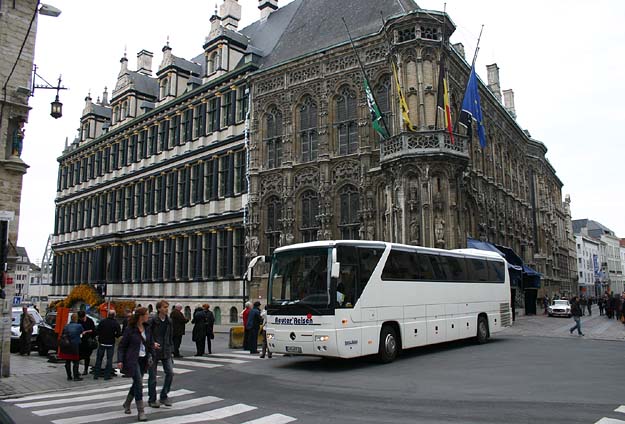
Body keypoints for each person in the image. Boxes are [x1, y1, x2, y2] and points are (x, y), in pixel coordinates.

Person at [118, 307, 153, 421]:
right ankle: (141, 411)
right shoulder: (130, 329)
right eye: (147, 314)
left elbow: (149, 342)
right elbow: (122, 346)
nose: (149, 316)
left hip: (143, 359)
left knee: (137, 383)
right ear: (141, 316)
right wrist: (120, 360)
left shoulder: (147, 328)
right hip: (133, 359)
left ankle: (127, 403)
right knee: (138, 382)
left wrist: (153, 347)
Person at [147, 300, 174, 408]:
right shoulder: (153, 321)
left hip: (166, 350)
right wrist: (152, 343)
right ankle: (152, 399)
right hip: (154, 351)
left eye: (167, 307)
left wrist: (171, 349)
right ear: (159, 309)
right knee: (152, 377)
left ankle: (164, 396)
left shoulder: (169, 321)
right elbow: (148, 335)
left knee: (170, 373)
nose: (166, 309)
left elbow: (170, 336)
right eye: (164, 307)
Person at [94, 310, 121, 380]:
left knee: (99, 359)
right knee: (109, 360)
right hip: (110, 343)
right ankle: (107, 375)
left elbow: (97, 331)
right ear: (114, 315)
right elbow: (118, 334)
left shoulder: (102, 322)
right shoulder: (116, 323)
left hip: (102, 342)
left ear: (108, 314)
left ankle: (96, 374)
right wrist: (114, 335)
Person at [59, 313, 85, 381]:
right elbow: (82, 332)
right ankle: (76, 376)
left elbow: (63, 335)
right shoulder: (79, 326)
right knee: (76, 361)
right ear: (76, 319)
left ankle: (69, 376)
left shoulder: (66, 326)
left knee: (68, 361)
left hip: (66, 345)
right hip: (74, 345)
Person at [78, 310, 96, 375]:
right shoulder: (78, 321)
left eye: (82, 318)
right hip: (80, 342)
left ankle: (85, 370)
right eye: (80, 318)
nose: (81, 319)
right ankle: (77, 370)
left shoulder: (90, 321)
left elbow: (93, 330)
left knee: (87, 356)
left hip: (88, 341)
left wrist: (86, 331)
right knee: (79, 356)